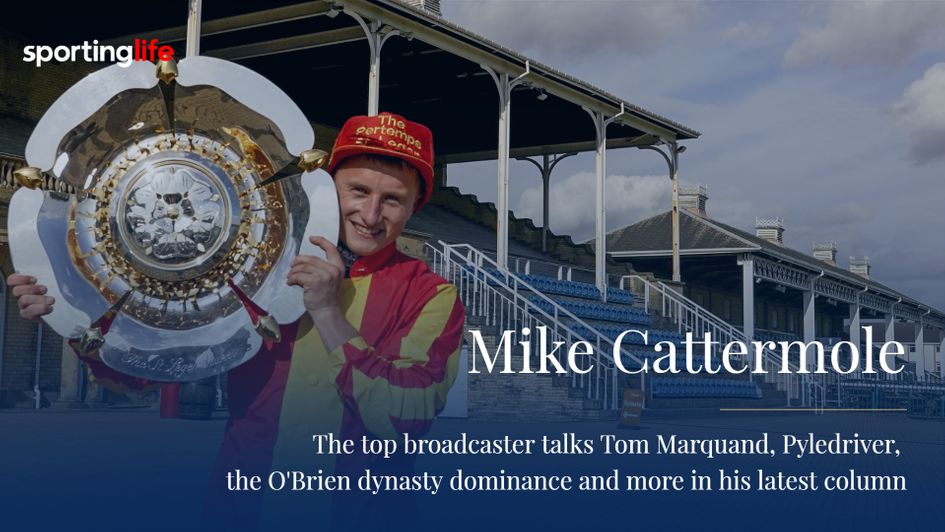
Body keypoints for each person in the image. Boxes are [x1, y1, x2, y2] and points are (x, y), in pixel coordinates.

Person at [7, 112, 465, 530]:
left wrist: (326, 312)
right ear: (328, 186)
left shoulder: (432, 295)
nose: (370, 215)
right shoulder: (257, 263)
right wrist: (72, 316)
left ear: (414, 208)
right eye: (359, 191)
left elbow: (403, 417)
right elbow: (142, 378)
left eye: (392, 201)